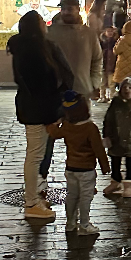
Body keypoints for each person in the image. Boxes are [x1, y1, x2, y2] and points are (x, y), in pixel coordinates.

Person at [7, 10, 74, 220]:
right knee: (35, 155)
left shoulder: (23, 49)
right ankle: (32, 203)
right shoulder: (35, 50)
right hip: (40, 108)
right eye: (41, 23)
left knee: (36, 153)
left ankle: (35, 197)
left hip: (34, 107)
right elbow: (43, 82)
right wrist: (55, 105)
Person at [46, 91, 110, 235]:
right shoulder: (90, 128)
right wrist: (105, 167)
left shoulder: (68, 126)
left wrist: (53, 124)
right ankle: (85, 225)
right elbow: (98, 149)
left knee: (72, 196)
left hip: (70, 168)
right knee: (85, 198)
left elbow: (54, 133)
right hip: (86, 170)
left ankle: (70, 223)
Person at [47, 0, 102, 100]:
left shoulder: (88, 34)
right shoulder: (50, 33)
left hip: (82, 90)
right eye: (63, 9)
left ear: (78, 9)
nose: (66, 12)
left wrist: (94, 84)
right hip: (55, 91)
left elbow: (97, 60)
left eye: (70, 9)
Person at [102, 77, 131, 198]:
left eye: (130, 88)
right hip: (116, 140)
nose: (127, 90)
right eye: (124, 87)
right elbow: (108, 121)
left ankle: (129, 184)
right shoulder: (115, 104)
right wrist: (106, 136)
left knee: (130, 163)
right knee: (115, 161)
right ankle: (116, 181)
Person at [112, 20, 131, 87]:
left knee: (120, 83)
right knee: (129, 83)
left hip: (122, 64)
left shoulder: (124, 39)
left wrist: (117, 42)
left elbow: (116, 51)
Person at [99, 25, 119, 102]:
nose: (110, 33)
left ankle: (111, 97)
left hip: (112, 64)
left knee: (111, 82)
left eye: (111, 31)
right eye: (108, 31)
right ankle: (102, 96)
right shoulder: (102, 41)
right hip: (103, 64)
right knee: (102, 82)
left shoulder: (115, 41)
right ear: (105, 32)